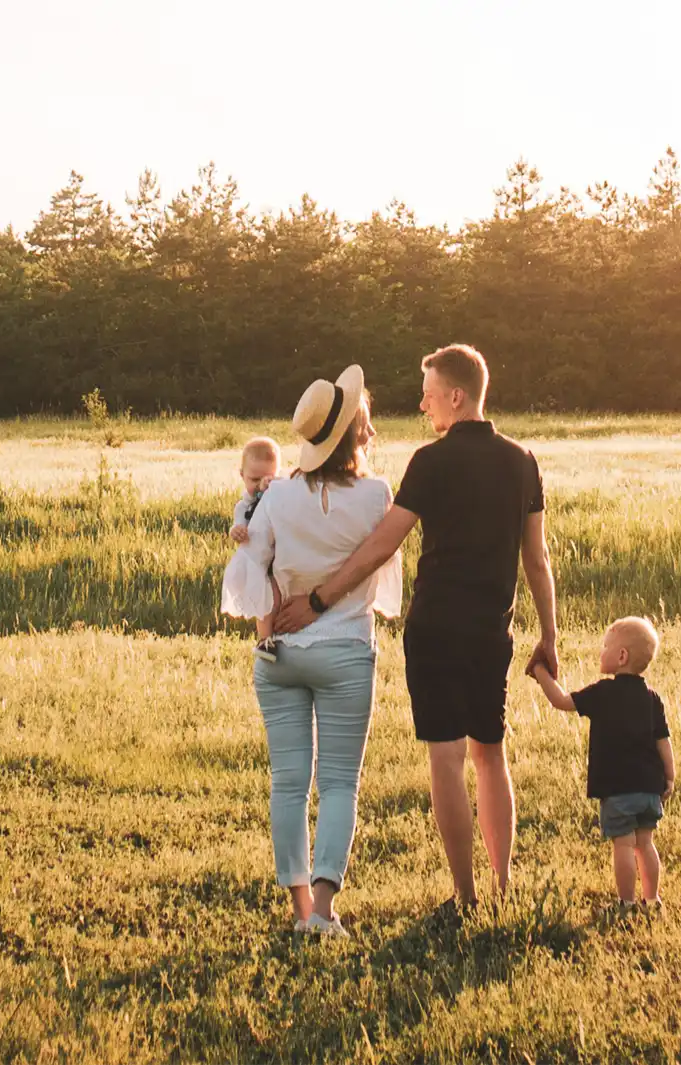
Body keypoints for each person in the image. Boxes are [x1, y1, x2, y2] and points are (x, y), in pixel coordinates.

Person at [273, 344, 557, 921]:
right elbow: (537, 557)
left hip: (435, 630)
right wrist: (549, 635)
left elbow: (384, 543)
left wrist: (320, 598)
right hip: (491, 631)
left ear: (456, 395)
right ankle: (503, 888)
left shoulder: (430, 462)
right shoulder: (523, 460)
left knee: (447, 758)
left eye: (429, 393)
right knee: (490, 753)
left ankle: (465, 897)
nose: (423, 403)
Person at [244, 366, 403, 935]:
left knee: (287, 782)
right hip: (345, 652)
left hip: (280, 653)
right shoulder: (378, 494)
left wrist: (267, 626)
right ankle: (326, 909)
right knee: (339, 783)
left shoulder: (277, 496)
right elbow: (381, 572)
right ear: (357, 433)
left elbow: (250, 568)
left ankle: (298, 912)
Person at [528, 617, 675, 908]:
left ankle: (626, 901)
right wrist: (669, 777)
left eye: (605, 646)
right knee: (645, 844)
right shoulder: (652, 698)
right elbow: (663, 741)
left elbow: (561, 701)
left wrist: (539, 671)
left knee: (623, 844)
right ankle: (652, 898)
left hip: (619, 790)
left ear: (622, 657)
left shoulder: (602, 693)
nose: (601, 651)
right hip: (649, 789)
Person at [223, 437, 284, 658]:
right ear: (242, 475)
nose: (260, 485)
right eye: (254, 479)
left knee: (283, 595)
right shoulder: (244, 505)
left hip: (280, 557)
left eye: (268, 478)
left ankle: (287, 634)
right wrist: (236, 531)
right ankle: (265, 641)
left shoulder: (280, 494)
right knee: (265, 600)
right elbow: (238, 524)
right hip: (258, 560)